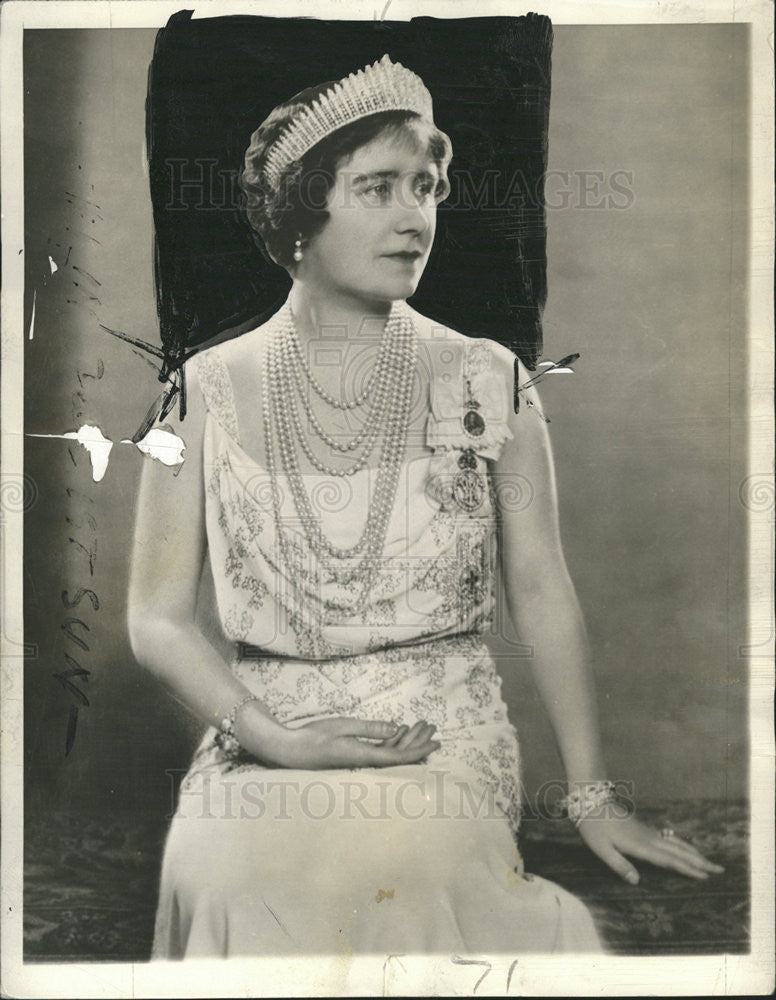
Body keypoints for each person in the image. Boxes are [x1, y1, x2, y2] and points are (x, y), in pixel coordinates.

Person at [128, 53, 722, 960]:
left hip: (439, 721)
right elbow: (155, 618)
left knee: (407, 858)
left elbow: (542, 587)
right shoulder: (198, 392)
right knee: (225, 875)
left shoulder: (490, 378)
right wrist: (276, 739)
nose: (414, 216)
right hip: (266, 720)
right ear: (298, 216)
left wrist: (593, 796)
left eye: (427, 187)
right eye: (376, 188)